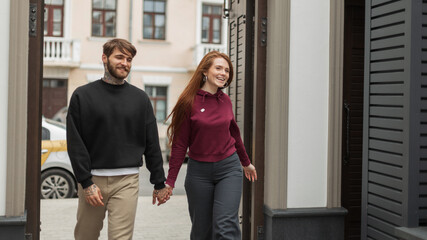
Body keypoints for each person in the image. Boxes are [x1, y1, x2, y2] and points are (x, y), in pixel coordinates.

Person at [66, 38, 170, 240]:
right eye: (119, 57)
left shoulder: (140, 99)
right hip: (92, 180)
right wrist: (86, 182)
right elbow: (75, 143)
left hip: (127, 180)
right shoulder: (82, 96)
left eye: (129, 59)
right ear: (104, 58)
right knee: (85, 236)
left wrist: (159, 182)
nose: (125, 63)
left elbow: (151, 144)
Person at [165, 51, 257, 240]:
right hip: (199, 172)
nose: (224, 73)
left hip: (229, 168)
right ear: (205, 71)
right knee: (202, 230)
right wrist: (170, 182)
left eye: (227, 70)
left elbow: (234, 134)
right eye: (219, 68)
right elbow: (180, 145)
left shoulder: (225, 100)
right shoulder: (188, 102)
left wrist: (246, 162)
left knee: (225, 225)